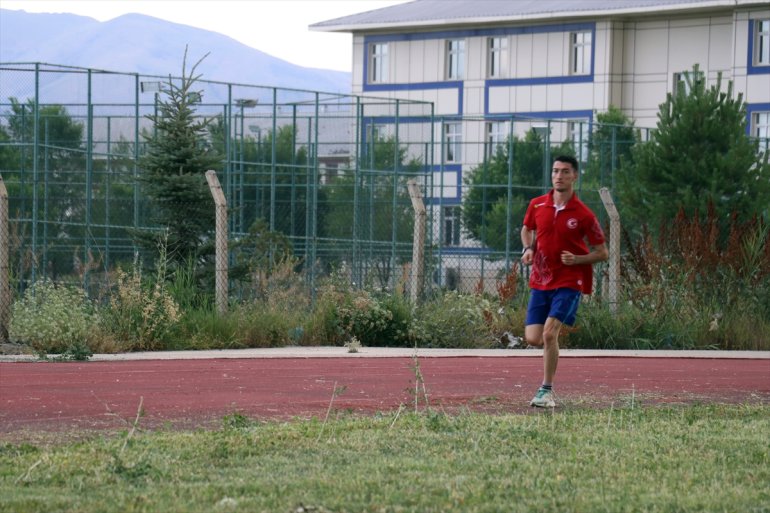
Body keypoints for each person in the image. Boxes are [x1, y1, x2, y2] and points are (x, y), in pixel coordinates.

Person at [520, 155, 608, 408]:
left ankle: (546, 391)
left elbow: (602, 252)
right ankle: (552, 353)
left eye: (565, 172)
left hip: (570, 281)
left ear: (574, 176)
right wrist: (528, 249)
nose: (559, 176)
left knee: (549, 334)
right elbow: (526, 228)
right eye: (556, 171)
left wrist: (578, 259)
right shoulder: (537, 205)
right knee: (533, 338)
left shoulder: (584, 214)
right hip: (541, 279)